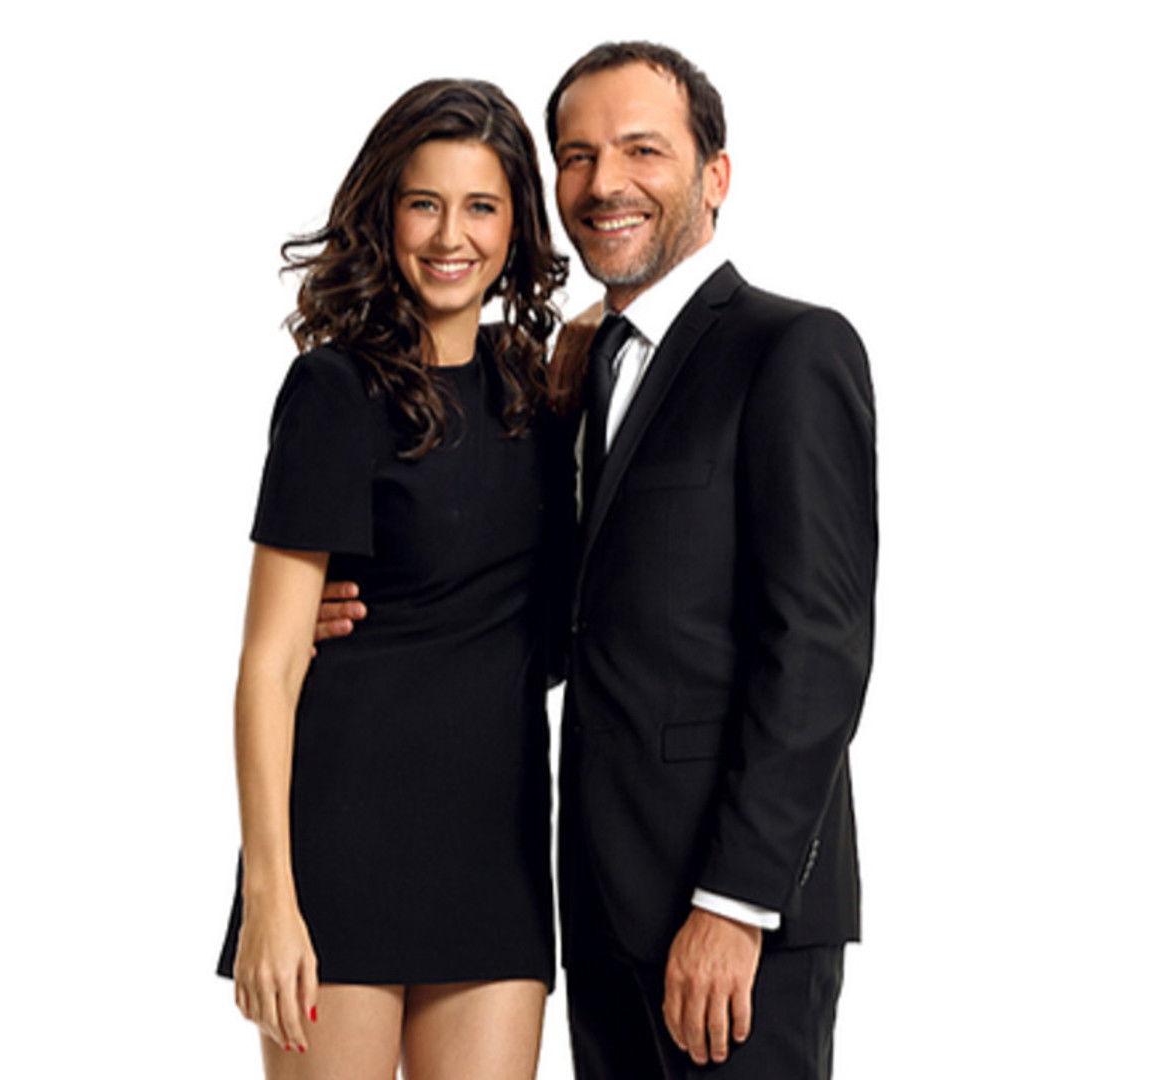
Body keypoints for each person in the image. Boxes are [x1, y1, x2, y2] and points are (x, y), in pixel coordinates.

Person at [317, 43, 877, 1080]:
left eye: (641, 150)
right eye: (577, 156)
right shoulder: (571, 376)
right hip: (597, 909)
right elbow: (569, 616)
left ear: (716, 174)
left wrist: (736, 905)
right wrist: (374, 616)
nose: (605, 182)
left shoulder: (790, 352)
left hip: (732, 924)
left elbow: (819, 648)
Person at [217, 78, 571, 1080]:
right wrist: (270, 900)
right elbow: (268, 667)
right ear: (386, 214)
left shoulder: (538, 386)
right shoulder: (334, 391)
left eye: (481, 206)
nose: (451, 236)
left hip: (497, 850)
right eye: (425, 203)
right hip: (343, 846)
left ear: (516, 224)